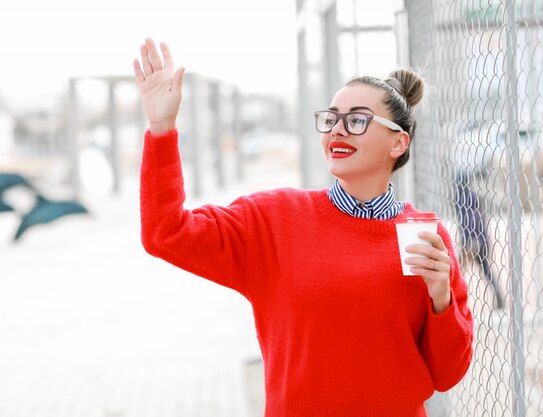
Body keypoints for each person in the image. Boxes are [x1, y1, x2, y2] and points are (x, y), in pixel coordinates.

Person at [133, 38, 473, 417]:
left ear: (398, 142)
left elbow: (446, 374)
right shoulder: (274, 220)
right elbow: (166, 232)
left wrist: (441, 299)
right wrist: (161, 128)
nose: (337, 131)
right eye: (331, 119)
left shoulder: (425, 238)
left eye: (357, 120)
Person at [454, 173, 505, 310]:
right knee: (485, 269)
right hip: (480, 239)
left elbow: (469, 221)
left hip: (473, 240)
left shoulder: (462, 198)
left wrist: (469, 243)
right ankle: (498, 295)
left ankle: (455, 299)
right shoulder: (471, 196)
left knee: (459, 269)